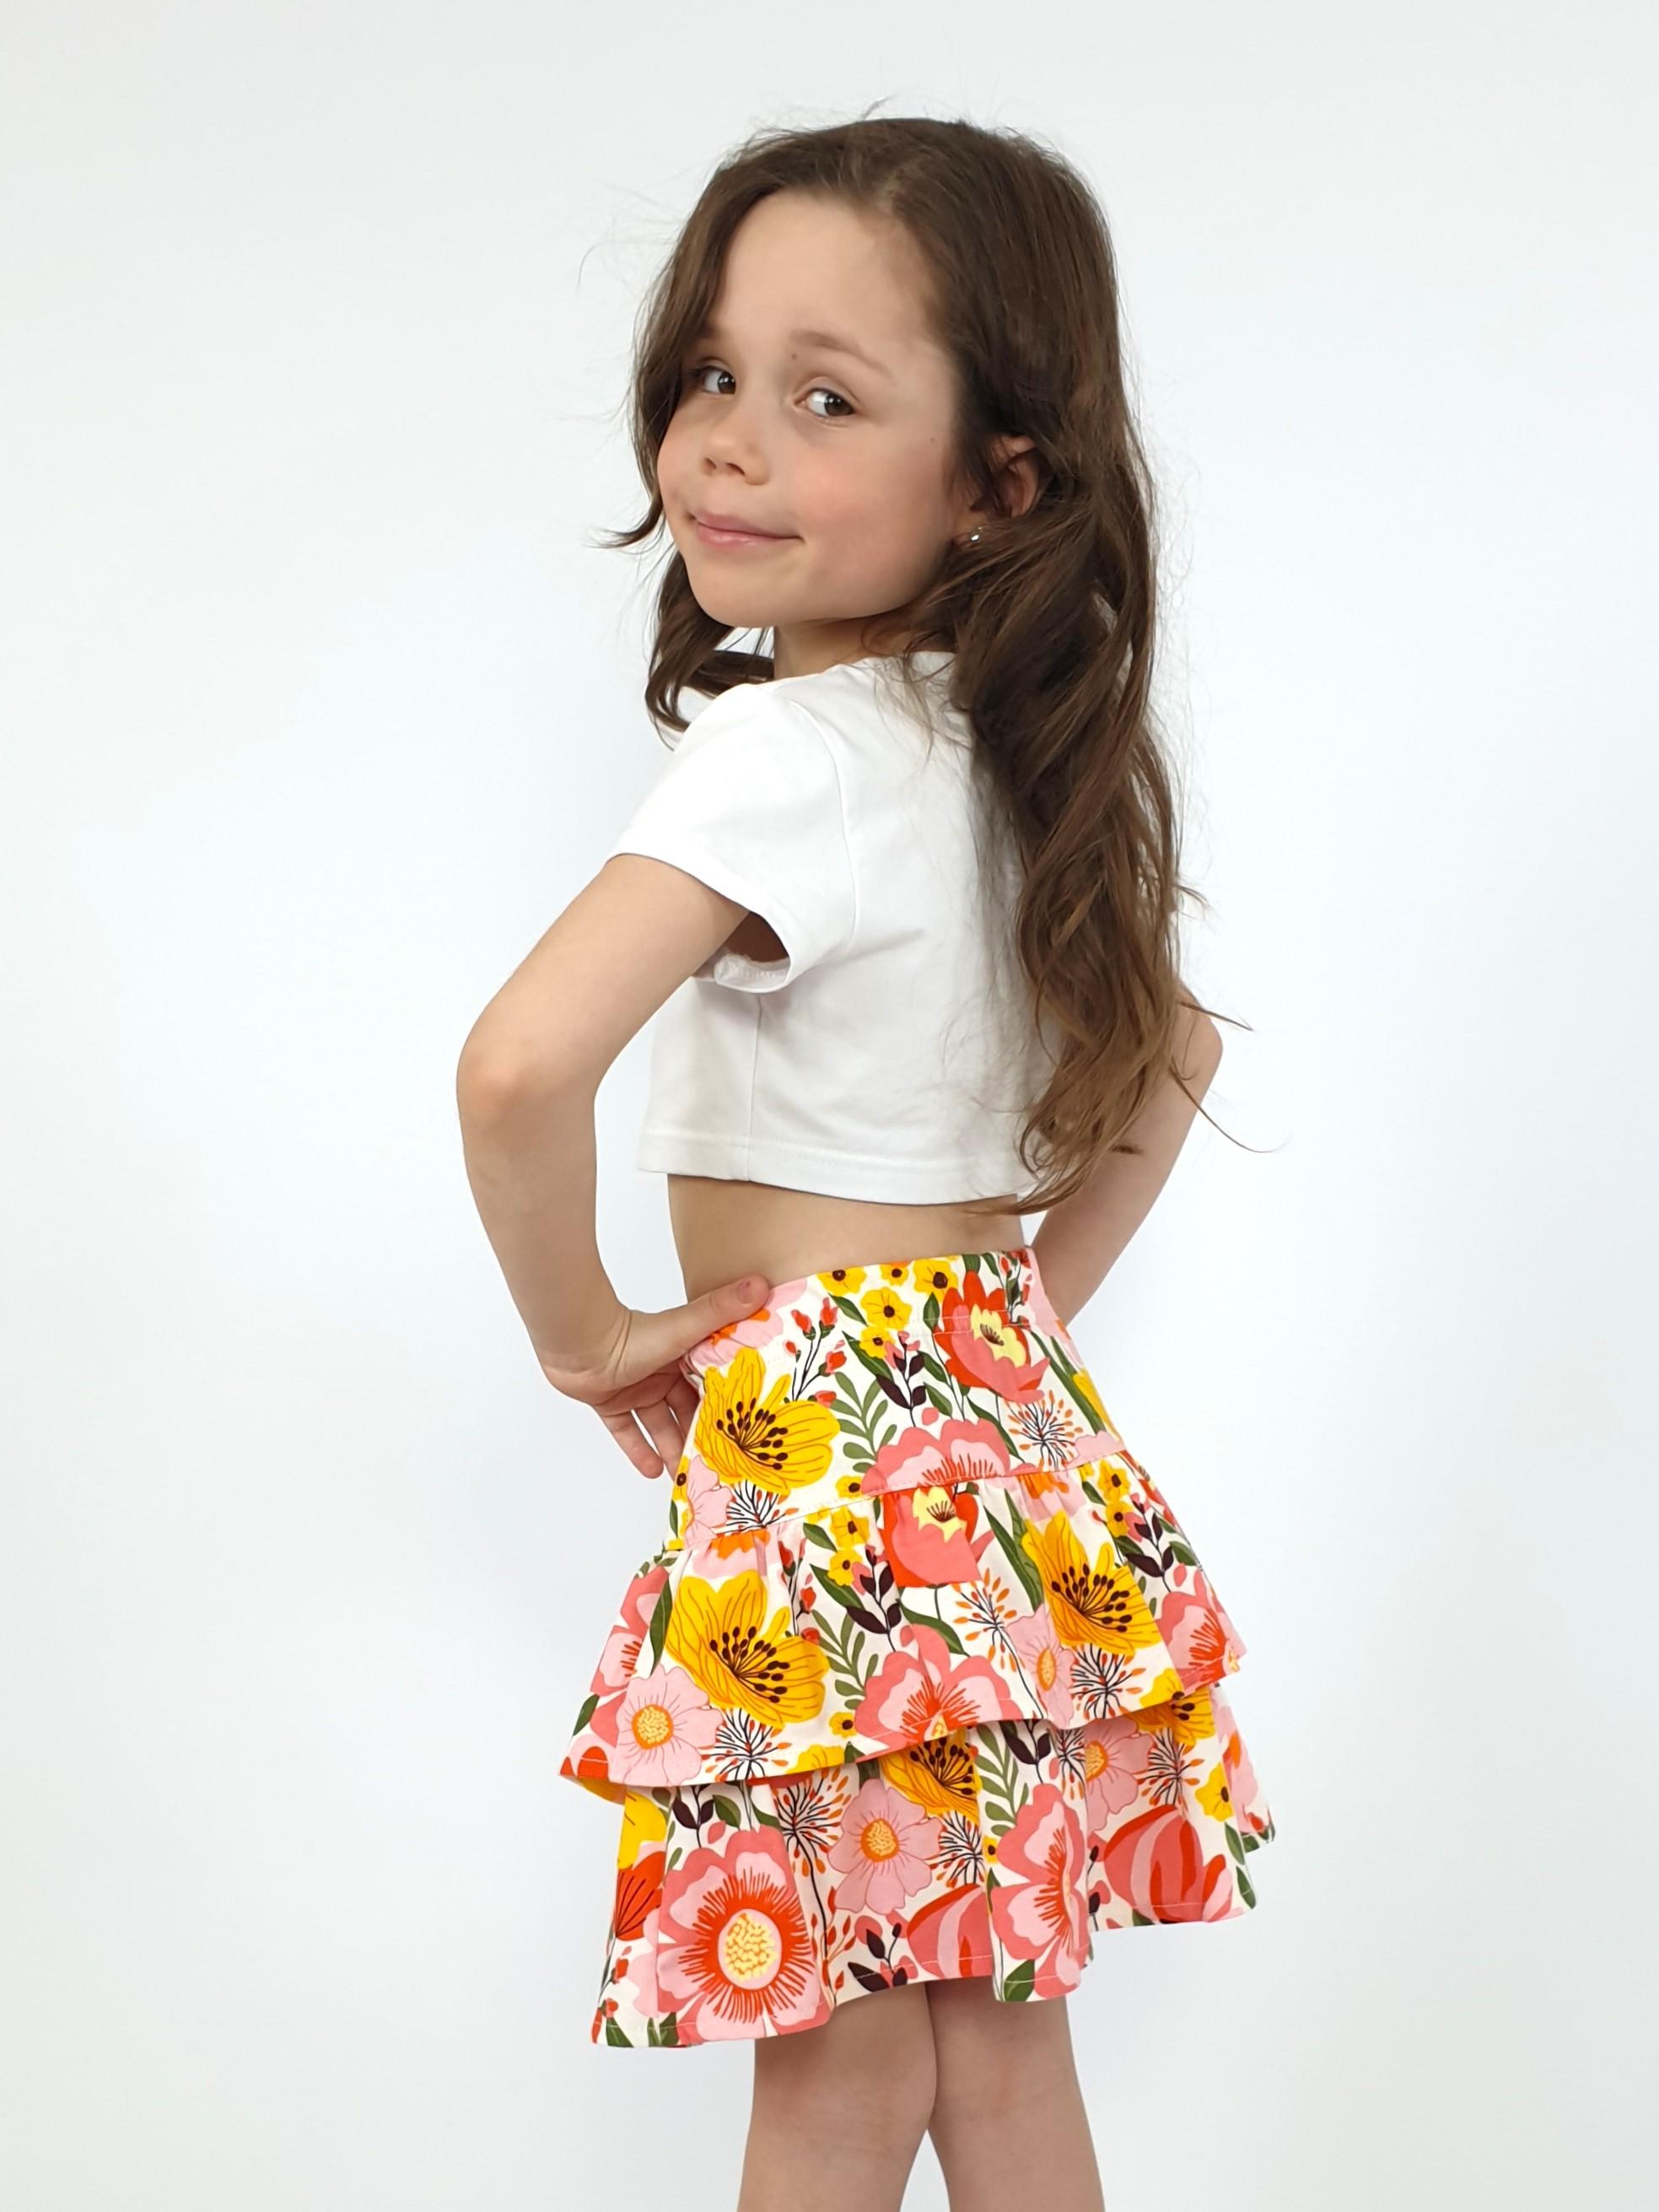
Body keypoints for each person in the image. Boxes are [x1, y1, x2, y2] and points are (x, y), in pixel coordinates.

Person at [456, 115, 1274, 2212]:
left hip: (825, 1452)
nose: (730, 440)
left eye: (827, 398)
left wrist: (586, 1333)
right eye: (711, 373)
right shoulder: (1008, 753)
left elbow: (520, 1067)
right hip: (993, 1437)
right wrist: (1013, 1328)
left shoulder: (785, 753)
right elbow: (1172, 1057)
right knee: (995, 2036)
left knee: (834, 2060)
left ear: (1001, 482)